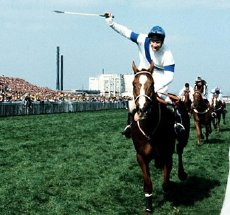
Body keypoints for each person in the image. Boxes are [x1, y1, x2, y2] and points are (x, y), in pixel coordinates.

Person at [104, 12, 185, 138]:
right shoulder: (142, 40)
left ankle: (177, 123)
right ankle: (130, 125)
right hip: (143, 75)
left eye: (158, 42)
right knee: (133, 101)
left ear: (162, 42)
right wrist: (111, 23)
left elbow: (169, 76)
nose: (154, 45)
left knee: (167, 101)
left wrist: (155, 88)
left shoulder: (167, 54)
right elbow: (126, 32)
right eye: (153, 41)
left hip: (159, 79)